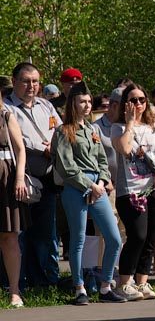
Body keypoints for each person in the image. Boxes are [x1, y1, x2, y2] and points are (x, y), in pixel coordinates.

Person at [51, 84, 129, 305]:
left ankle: (105, 287)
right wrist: (89, 185)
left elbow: (103, 160)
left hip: (98, 186)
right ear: (72, 104)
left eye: (88, 101)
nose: (87, 106)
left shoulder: (92, 130)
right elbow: (66, 166)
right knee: (79, 239)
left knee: (113, 238)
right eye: (82, 102)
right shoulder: (64, 130)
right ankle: (80, 288)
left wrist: (102, 182)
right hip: (76, 187)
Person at [111, 84, 155, 301]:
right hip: (131, 190)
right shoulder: (118, 127)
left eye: (141, 100)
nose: (138, 104)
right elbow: (126, 149)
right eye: (133, 100)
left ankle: (142, 282)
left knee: (151, 236)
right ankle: (124, 282)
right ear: (125, 103)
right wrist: (129, 122)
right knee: (136, 235)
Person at [5, 62, 61, 289]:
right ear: (14, 81)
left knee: (44, 233)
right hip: (20, 179)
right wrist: (42, 147)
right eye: (26, 81)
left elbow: (61, 129)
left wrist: (55, 145)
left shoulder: (46, 106)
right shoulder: (7, 107)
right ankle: (18, 281)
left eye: (35, 81)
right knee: (18, 234)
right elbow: (13, 140)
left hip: (48, 178)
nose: (31, 86)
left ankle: (43, 281)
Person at [0, 104, 29, 307]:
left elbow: (20, 149)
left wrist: (19, 178)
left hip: (5, 179)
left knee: (9, 236)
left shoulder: (6, 116)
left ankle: (15, 291)